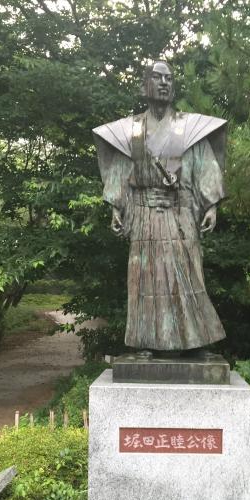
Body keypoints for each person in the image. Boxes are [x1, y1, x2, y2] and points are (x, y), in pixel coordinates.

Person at [93, 60, 226, 353]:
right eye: (157, 78)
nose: (164, 83)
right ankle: (146, 340)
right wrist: (116, 207)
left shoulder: (189, 128)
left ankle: (194, 341)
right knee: (145, 278)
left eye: (169, 79)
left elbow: (205, 163)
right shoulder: (131, 130)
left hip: (180, 214)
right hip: (143, 214)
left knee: (188, 276)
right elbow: (120, 169)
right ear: (145, 86)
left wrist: (211, 205)